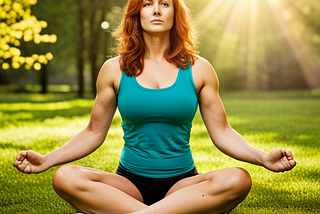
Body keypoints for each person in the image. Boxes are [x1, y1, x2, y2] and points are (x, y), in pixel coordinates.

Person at [14, 0, 296, 213]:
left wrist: (262, 158)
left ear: (176, 13)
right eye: (147, 3)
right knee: (65, 177)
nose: (157, 10)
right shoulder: (114, 69)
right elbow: (92, 132)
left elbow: (222, 132)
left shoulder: (200, 69)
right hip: (128, 185)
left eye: (164, 3)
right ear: (137, 13)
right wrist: (49, 160)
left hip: (183, 185)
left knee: (238, 179)